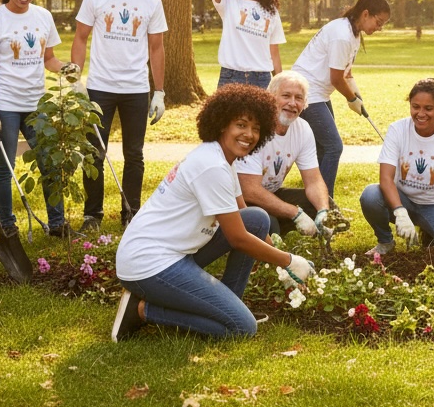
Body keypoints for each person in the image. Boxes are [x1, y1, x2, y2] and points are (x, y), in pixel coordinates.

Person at [112, 84, 315, 340]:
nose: (249, 134)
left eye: (256, 128)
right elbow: (237, 238)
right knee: (243, 328)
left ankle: (229, 304)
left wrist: (281, 265)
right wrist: (289, 261)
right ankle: (141, 310)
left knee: (256, 217)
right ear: (221, 124)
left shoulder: (224, 160)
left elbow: (246, 219)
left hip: (174, 252)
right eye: (241, 125)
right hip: (149, 264)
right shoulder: (212, 166)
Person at [68, 0, 168, 234]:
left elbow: (156, 48)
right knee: (94, 152)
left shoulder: (151, 0)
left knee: (134, 154)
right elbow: (81, 38)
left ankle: (131, 211)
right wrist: (75, 78)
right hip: (99, 86)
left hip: (136, 89)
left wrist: (159, 91)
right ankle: (92, 215)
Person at [0, 0, 79, 238]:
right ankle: (8, 227)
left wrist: (67, 69)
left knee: (50, 162)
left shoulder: (43, 16)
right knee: (4, 167)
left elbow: (49, 59)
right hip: (5, 105)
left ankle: (57, 225)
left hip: (37, 105)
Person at [359, 78, 434, 255]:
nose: (421, 114)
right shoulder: (397, 130)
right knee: (370, 196)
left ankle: (431, 238)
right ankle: (386, 242)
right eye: (415, 106)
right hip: (401, 198)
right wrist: (399, 212)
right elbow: (386, 178)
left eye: (428, 108)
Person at [293, 0, 391, 194]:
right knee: (333, 146)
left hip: (319, 92)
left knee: (323, 147)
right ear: (365, 14)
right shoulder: (342, 35)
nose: (379, 28)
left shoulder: (353, 32)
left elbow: (346, 72)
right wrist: (351, 98)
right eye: (378, 22)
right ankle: (325, 204)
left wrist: (355, 90)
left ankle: (317, 200)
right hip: (306, 91)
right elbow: (336, 78)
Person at [234, 71, 334, 237]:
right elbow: (249, 190)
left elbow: (314, 180)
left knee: (324, 205)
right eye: (286, 96)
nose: (292, 103)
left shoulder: (303, 129)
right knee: (267, 222)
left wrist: (323, 211)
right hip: (239, 201)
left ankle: (276, 230)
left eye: (299, 98)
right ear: (270, 97)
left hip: (269, 195)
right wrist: (295, 213)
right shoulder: (254, 129)